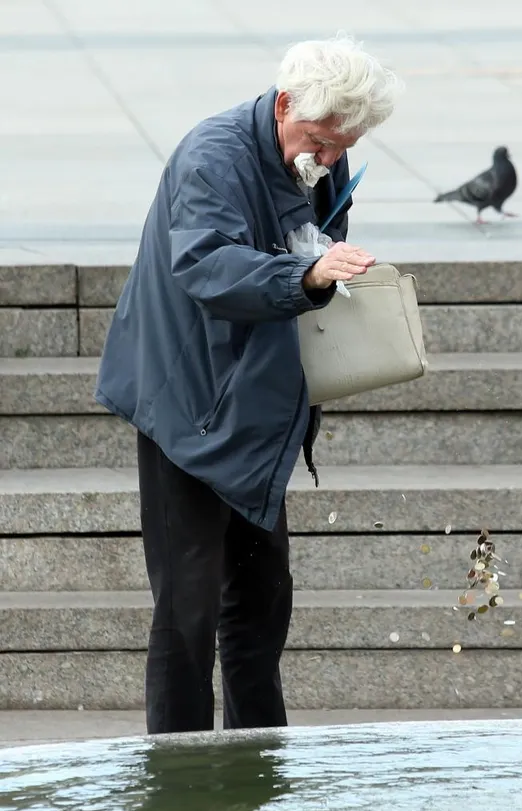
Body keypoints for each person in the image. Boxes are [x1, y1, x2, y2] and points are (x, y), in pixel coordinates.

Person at [93, 34, 404, 735]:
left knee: (263, 603)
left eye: (340, 148)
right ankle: (180, 782)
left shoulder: (322, 145)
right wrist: (306, 276)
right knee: (188, 612)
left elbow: (313, 240)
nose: (326, 160)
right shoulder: (215, 154)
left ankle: (261, 766)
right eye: (319, 142)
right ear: (286, 102)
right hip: (187, 400)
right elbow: (205, 264)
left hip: (256, 401)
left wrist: (327, 263)